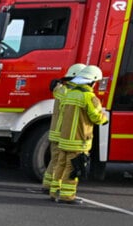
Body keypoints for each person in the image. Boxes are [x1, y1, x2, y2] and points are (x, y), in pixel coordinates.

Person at [48, 65, 108, 204]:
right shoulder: (89, 97)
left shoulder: (69, 93)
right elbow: (95, 116)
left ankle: (54, 192)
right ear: (92, 81)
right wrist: (104, 118)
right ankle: (67, 196)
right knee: (73, 168)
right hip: (78, 140)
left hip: (64, 138)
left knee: (60, 165)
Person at [42, 63, 85, 193]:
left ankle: (48, 185)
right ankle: (56, 188)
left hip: (56, 131)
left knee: (54, 161)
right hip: (62, 132)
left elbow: (57, 91)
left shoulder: (61, 89)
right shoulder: (69, 92)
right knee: (60, 163)